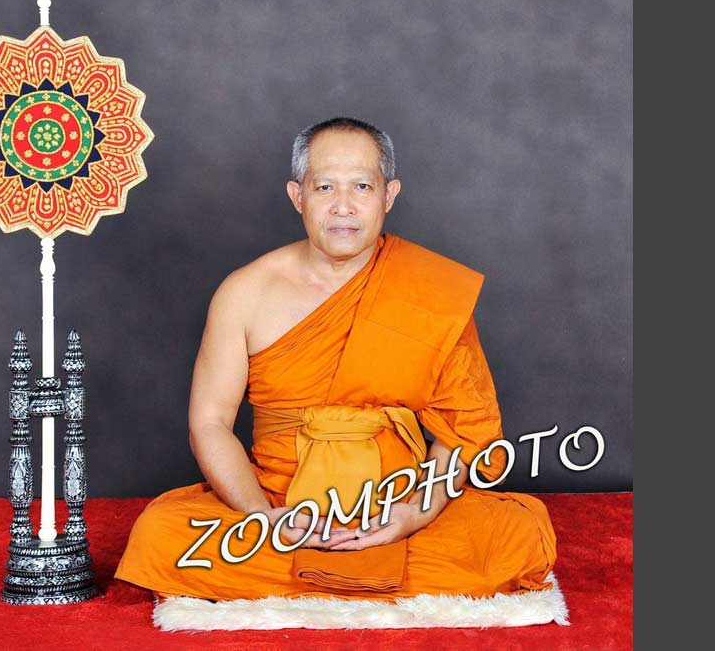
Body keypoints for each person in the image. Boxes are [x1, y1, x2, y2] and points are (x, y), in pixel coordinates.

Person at [114, 117, 556, 601]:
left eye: (362, 186)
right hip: (279, 500)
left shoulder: (430, 291)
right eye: (324, 187)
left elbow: (462, 430)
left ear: (388, 196)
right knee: (161, 534)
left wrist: (414, 512)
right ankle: (347, 576)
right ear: (297, 196)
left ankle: (330, 573)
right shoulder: (244, 292)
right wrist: (263, 518)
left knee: (516, 537)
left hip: (395, 499)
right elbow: (210, 423)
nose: (343, 205)